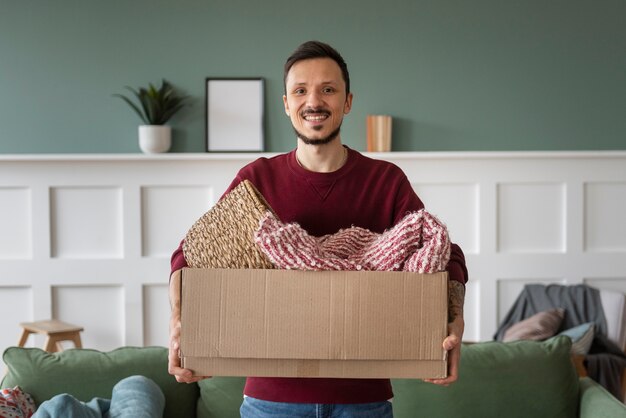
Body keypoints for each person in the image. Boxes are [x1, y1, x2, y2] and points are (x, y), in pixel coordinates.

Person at [168, 40, 468, 418]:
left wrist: (455, 320)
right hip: (270, 402)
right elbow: (190, 252)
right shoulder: (257, 179)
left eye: (328, 89)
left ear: (348, 102)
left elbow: (445, 251)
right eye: (301, 90)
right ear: (286, 104)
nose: (314, 101)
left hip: (364, 401)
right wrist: (179, 323)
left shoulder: (385, 180)